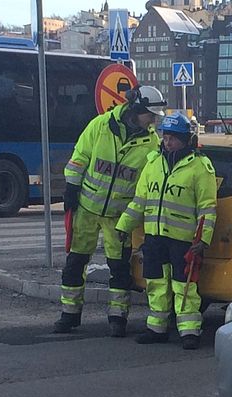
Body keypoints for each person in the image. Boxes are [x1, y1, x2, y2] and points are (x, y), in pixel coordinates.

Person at [54, 85, 165, 337]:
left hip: (119, 217)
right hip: (86, 209)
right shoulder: (100, 126)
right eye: (151, 114)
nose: (154, 120)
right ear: (136, 109)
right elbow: (79, 158)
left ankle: (118, 317)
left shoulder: (151, 144)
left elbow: (147, 183)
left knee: (119, 269)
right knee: (75, 263)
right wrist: (71, 187)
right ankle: (69, 315)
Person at [115, 114, 217, 349]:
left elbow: (207, 209)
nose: (167, 142)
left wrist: (203, 240)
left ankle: (189, 331)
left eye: (173, 138)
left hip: (183, 240)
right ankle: (157, 328)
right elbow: (140, 201)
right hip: (155, 237)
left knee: (184, 286)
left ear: (185, 140)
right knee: (156, 283)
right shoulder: (153, 163)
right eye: (165, 137)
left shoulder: (200, 167)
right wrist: (124, 226)